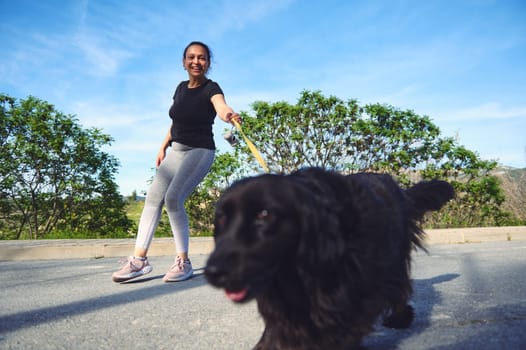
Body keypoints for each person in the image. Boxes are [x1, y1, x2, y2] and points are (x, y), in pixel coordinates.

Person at [112, 41, 241, 283]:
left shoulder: (211, 88)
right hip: (176, 150)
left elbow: (220, 105)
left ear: (208, 63)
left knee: (173, 198)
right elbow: (176, 122)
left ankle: (184, 262)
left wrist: (229, 115)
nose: (196, 61)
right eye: (191, 57)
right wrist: (163, 146)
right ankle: (139, 261)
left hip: (200, 150)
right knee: (152, 197)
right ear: (184, 62)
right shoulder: (181, 89)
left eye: (201, 58)